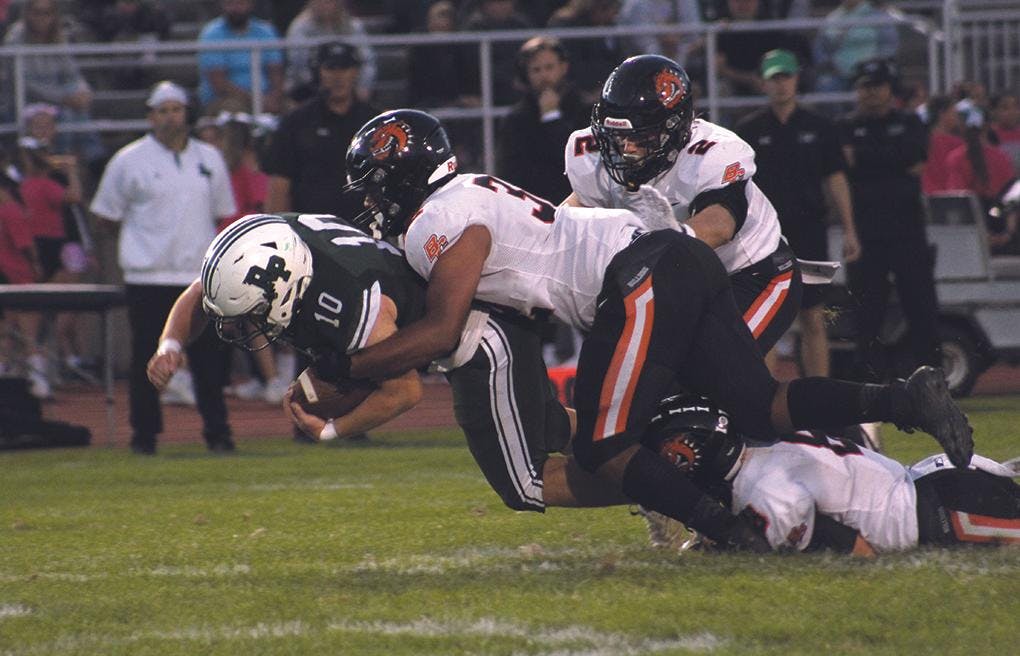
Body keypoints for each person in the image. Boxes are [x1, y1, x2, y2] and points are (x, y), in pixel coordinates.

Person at [329, 108, 972, 550]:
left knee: (606, 441)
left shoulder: (437, 221)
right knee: (759, 402)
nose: (370, 202)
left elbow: (443, 330)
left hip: (641, 275)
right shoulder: (467, 191)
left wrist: (348, 368)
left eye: (374, 187)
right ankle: (905, 399)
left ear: (402, 178)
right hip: (663, 262)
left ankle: (727, 531)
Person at [564, 54, 801, 355]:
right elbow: (577, 210)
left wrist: (670, 238)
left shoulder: (714, 151)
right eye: (617, 136)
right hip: (677, 282)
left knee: (715, 369)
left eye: (642, 137)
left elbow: (720, 225)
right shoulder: (590, 150)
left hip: (748, 274)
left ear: (675, 126)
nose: (626, 148)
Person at [645, 394, 1020, 553]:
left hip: (943, 515)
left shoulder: (765, 489)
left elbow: (859, 552)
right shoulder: (762, 446)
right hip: (934, 480)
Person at [90, 81, 237, 455]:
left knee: (209, 360)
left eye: (176, 109)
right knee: (147, 357)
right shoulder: (128, 160)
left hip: (198, 277)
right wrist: (143, 244)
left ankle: (218, 432)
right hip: (148, 276)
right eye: (163, 111)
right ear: (151, 116)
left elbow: (221, 213)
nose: (171, 117)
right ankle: (144, 435)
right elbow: (106, 215)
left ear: (187, 113)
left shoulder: (209, 158)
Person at [735, 50, 860, 378]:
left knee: (813, 316)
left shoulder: (820, 127)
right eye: (774, 78)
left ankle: (817, 394)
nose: (781, 84)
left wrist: (850, 229)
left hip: (810, 232)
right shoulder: (747, 130)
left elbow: (836, 178)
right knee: (765, 320)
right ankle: (765, 397)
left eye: (786, 77)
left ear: (797, 79)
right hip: (764, 237)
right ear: (763, 83)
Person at [838, 59, 941, 383]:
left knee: (921, 307)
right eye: (864, 87)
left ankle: (932, 380)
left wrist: (863, 158)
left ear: (889, 89)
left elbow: (916, 158)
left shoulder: (909, 122)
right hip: (866, 232)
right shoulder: (844, 126)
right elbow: (847, 166)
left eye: (877, 86)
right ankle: (868, 382)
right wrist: (893, 161)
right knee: (866, 312)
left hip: (907, 229)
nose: (871, 93)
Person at [262, 41, 378, 218]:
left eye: (345, 68)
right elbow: (279, 184)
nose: (338, 76)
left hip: (365, 228)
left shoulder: (373, 123)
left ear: (355, 72)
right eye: (330, 68)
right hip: (310, 229)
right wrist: (277, 227)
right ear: (318, 72)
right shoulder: (295, 122)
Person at [496, 37, 590, 207]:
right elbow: (509, 174)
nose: (544, 76)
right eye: (536, 70)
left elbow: (578, 163)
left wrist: (552, 117)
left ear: (563, 67)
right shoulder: (516, 119)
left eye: (549, 67)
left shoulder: (583, 110)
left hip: (577, 206)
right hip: (531, 208)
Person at [197, 0, 285, 115]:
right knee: (236, 114)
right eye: (230, 3)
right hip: (225, 99)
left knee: (294, 112)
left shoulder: (266, 31)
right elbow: (218, 82)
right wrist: (256, 101)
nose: (236, 8)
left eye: (240, 3)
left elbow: (276, 71)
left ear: (250, 4)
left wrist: (274, 97)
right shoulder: (211, 34)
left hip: (267, 97)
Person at [285, 0, 377, 104]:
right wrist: (322, 88)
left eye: (330, 1)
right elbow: (299, 66)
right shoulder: (299, 27)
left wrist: (364, 85)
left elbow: (367, 61)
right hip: (308, 87)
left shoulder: (353, 25)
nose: (326, 5)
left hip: (349, 86)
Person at [813, 0, 899, 93]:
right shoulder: (832, 18)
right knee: (826, 86)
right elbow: (821, 48)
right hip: (838, 74)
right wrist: (830, 66)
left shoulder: (877, 16)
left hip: (870, 73)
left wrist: (875, 65)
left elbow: (889, 45)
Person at [920, 95, 965, 195]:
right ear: (942, 114)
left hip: (928, 194)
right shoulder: (958, 144)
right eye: (953, 113)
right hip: (949, 195)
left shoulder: (922, 139)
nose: (956, 117)